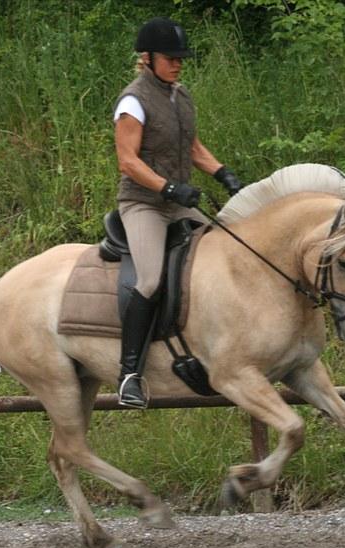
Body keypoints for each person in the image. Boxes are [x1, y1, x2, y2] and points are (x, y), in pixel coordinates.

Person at [114, 17, 244, 408]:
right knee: (151, 279)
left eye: (180, 58)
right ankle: (129, 375)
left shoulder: (179, 95)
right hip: (144, 205)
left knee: (227, 254)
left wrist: (224, 174)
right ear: (148, 58)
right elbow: (128, 161)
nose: (178, 64)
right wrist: (168, 187)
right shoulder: (133, 101)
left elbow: (193, 148)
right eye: (171, 58)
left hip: (178, 202)